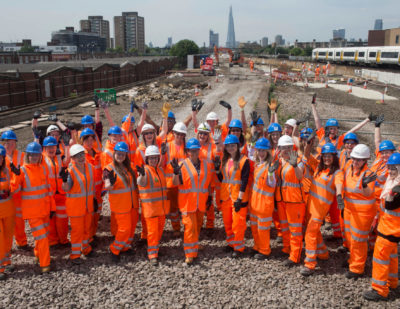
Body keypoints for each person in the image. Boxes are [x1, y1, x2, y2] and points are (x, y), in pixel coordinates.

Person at [300, 143, 342, 276]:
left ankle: (310, 263)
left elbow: (339, 184)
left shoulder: (337, 173)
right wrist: (308, 144)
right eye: (325, 156)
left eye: (329, 156)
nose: (327, 158)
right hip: (311, 206)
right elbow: (306, 156)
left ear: (334, 157)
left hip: (320, 209)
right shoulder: (319, 168)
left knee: (310, 233)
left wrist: (339, 196)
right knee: (314, 231)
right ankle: (323, 253)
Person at [363, 152, 400, 301]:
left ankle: (380, 290)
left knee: (380, 259)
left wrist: (392, 194)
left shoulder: (397, 186)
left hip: (389, 230)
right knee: (391, 257)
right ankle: (392, 282)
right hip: (390, 228)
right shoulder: (392, 182)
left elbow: (390, 205)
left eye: (394, 168)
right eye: (389, 167)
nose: (390, 171)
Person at [12, 142, 54, 273]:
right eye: (32, 155)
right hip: (33, 213)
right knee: (42, 238)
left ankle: (37, 254)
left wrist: (52, 207)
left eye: (37, 155)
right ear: (28, 155)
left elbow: (48, 190)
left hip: (45, 210)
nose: (34, 157)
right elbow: (14, 190)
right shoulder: (22, 171)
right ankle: (45, 264)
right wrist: (16, 176)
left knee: (44, 235)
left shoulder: (42, 169)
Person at [337, 144, 377, 279]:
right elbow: (340, 178)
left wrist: (365, 184)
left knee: (358, 240)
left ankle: (357, 268)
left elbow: (369, 193)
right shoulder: (349, 168)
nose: (355, 162)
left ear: (365, 160)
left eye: (359, 160)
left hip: (363, 213)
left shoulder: (369, 174)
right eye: (354, 158)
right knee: (349, 238)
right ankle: (352, 259)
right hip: (349, 210)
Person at [172, 138, 214, 264]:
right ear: (187, 151)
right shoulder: (182, 165)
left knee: (197, 226)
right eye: (191, 151)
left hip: (201, 203)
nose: (194, 153)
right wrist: (175, 173)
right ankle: (190, 253)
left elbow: (207, 183)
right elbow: (175, 183)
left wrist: (210, 197)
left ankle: (194, 244)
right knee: (190, 227)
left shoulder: (206, 165)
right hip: (187, 203)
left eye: (196, 150)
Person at [104, 142, 139, 262]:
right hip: (120, 205)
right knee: (124, 228)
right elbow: (107, 185)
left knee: (132, 227)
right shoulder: (108, 168)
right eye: (118, 154)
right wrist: (110, 184)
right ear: (114, 153)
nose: (120, 156)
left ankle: (125, 246)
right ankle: (115, 248)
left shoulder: (129, 167)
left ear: (126, 155)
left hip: (133, 203)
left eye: (123, 154)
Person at [218, 135, 251, 257]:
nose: (231, 148)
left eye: (233, 145)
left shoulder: (244, 160)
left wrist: (240, 198)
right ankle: (231, 243)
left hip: (238, 197)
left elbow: (244, 180)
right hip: (226, 196)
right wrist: (217, 170)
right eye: (228, 146)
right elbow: (222, 179)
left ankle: (238, 247)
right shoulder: (225, 160)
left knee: (238, 223)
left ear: (238, 146)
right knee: (227, 222)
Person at [62, 144, 95, 265]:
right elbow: (66, 189)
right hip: (76, 208)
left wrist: (94, 199)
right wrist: (64, 180)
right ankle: (75, 254)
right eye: (77, 156)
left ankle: (85, 249)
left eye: (82, 154)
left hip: (88, 206)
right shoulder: (70, 171)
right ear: (73, 158)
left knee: (87, 229)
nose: (81, 157)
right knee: (77, 231)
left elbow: (91, 186)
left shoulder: (90, 167)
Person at [275, 135, 306, 266]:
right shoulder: (279, 161)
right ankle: (287, 248)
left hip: (295, 201)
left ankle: (295, 256)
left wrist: (294, 166)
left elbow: (300, 176)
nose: (286, 150)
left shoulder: (299, 160)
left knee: (295, 230)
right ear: (279, 149)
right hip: (282, 200)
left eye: (289, 147)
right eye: (284, 148)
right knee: (284, 227)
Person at [137, 145, 169, 265]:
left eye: (155, 158)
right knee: (153, 232)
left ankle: (155, 247)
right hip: (151, 209)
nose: (153, 160)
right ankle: (152, 255)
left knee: (159, 230)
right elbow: (141, 182)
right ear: (147, 159)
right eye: (151, 158)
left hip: (161, 208)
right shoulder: (144, 171)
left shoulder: (160, 170)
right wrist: (142, 176)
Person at [250, 138, 277, 260]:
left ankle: (265, 250)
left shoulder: (269, 166)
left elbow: (272, 184)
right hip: (256, 203)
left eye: (263, 151)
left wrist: (271, 175)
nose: (261, 153)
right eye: (259, 150)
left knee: (263, 229)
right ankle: (257, 246)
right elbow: (249, 153)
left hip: (265, 204)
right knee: (255, 227)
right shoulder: (257, 164)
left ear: (267, 152)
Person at [42, 136, 70, 247]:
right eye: (48, 147)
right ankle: (53, 241)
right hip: (49, 195)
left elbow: (67, 161)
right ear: (44, 148)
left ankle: (63, 240)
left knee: (63, 219)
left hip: (61, 194)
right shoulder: (41, 159)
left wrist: (67, 146)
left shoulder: (59, 157)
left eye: (53, 146)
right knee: (51, 220)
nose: (51, 149)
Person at [1, 130, 26, 250]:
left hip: (20, 194)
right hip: (6, 195)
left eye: (11, 142)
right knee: (7, 222)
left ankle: (21, 242)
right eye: (6, 142)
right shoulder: (1, 157)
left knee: (19, 220)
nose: (9, 145)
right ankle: (7, 245)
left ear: (15, 143)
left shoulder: (21, 155)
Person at [163, 122, 187, 237]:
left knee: (184, 207)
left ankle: (187, 227)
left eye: (182, 134)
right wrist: (162, 155)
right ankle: (176, 227)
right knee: (173, 208)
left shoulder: (186, 147)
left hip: (183, 183)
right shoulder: (167, 146)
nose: (180, 136)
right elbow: (162, 164)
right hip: (170, 183)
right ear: (173, 133)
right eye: (177, 133)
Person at [80, 128, 103, 242]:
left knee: (97, 213)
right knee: (88, 216)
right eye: (87, 140)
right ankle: (87, 239)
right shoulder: (81, 156)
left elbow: (103, 171)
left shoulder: (99, 154)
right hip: (88, 192)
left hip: (98, 191)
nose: (89, 142)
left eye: (91, 140)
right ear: (82, 141)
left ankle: (92, 235)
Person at [0, 145, 15, 280]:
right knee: (0, 239)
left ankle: (7, 260)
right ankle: (0, 268)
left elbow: (12, 187)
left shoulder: (6, 171)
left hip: (8, 208)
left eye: (0, 157)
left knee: (9, 236)